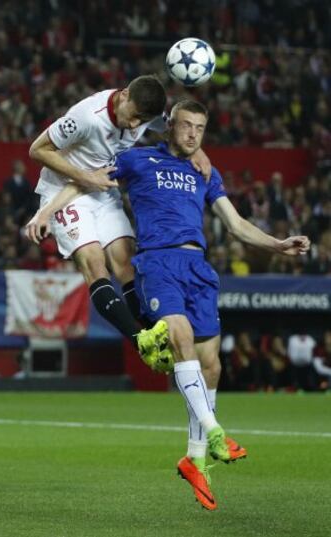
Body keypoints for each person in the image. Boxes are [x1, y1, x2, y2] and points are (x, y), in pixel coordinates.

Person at [29, 100, 310, 510]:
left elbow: (235, 224)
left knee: (211, 361)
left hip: (198, 266)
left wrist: (278, 244)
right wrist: (47, 210)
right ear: (170, 126)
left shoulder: (205, 173)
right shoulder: (137, 159)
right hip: (158, 262)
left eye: (200, 128)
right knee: (178, 336)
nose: (193, 134)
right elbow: (84, 182)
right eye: (186, 126)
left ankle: (196, 458)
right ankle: (215, 431)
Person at [26, 75, 212, 364]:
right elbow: (37, 149)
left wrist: (198, 151)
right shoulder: (86, 117)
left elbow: (174, 126)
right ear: (124, 96)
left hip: (102, 188)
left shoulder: (147, 113)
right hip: (66, 189)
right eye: (134, 117)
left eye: (143, 121)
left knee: (126, 264)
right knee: (95, 263)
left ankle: (158, 339)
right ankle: (141, 342)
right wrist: (51, 207)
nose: (136, 126)